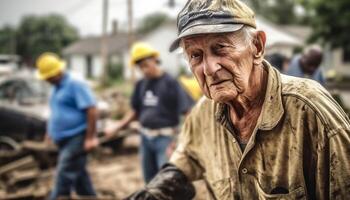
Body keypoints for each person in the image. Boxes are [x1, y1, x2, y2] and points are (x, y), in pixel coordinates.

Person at [125, 0, 350, 199]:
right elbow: (187, 155)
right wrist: (162, 186)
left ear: (257, 47)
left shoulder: (310, 110)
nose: (210, 68)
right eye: (196, 55)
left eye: (220, 48)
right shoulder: (204, 113)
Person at [104, 42, 193, 183]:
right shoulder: (141, 84)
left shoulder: (171, 83)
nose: (144, 70)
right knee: (149, 182)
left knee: (166, 181)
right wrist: (118, 126)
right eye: (140, 67)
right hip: (145, 138)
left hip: (165, 139)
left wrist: (180, 140)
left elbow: (189, 112)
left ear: (155, 60)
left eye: (146, 65)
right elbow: (135, 111)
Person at [36, 52, 98, 200]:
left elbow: (92, 109)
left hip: (77, 137)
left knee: (63, 174)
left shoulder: (75, 84)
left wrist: (90, 137)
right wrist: (49, 132)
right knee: (79, 174)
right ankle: (89, 196)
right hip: (63, 139)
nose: (47, 80)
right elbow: (56, 110)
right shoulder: (56, 87)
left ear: (57, 72)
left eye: (49, 77)